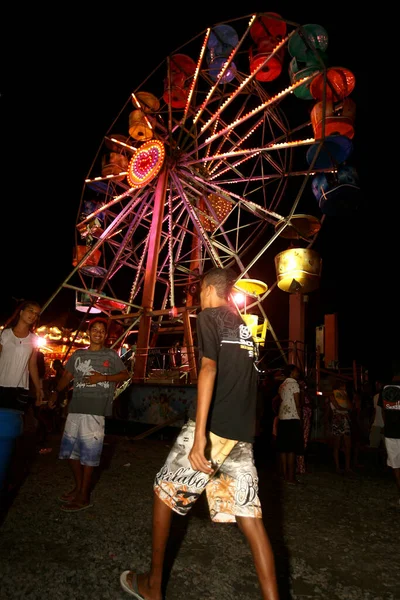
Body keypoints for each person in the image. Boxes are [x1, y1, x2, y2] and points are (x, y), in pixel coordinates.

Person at [119, 267, 279, 600]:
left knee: (164, 494)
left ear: (207, 288)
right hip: (241, 433)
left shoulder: (210, 316)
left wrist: (200, 435)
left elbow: (208, 368)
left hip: (216, 427)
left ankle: (152, 586)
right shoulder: (243, 327)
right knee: (249, 516)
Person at [49, 317, 130, 513]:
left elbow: (124, 375)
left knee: (89, 455)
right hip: (75, 409)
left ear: (106, 335)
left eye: (102, 330)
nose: (98, 333)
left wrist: (102, 377)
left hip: (95, 413)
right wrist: (55, 392)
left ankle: (84, 496)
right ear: (88, 333)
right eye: (95, 329)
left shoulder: (111, 355)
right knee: (70, 452)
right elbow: (66, 377)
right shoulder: (77, 355)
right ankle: (78, 488)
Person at [0, 300, 43, 491]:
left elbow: (32, 365)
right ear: (21, 312)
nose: (33, 315)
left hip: (19, 390)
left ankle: (6, 471)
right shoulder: (4, 334)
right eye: (31, 311)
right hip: (0, 385)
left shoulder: (33, 339)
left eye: (36, 313)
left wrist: (39, 388)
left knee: (10, 432)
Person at [275, 363, 304, 485]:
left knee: (283, 448)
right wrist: (300, 417)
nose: (298, 373)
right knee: (292, 448)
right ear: (292, 372)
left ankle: (284, 474)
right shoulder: (294, 384)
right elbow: (297, 403)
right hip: (292, 417)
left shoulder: (282, 385)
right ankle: (291, 477)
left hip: (282, 417)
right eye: (296, 371)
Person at [378, 374, 400, 509]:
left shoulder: (386, 389)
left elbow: (384, 411)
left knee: (396, 465)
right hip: (392, 431)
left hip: (391, 432)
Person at [329, 379, 352, 474]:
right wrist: (345, 408)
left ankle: (347, 467)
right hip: (338, 419)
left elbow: (350, 406)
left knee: (348, 445)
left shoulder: (345, 395)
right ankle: (338, 467)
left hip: (345, 419)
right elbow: (337, 407)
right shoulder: (332, 395)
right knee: (337, 444)